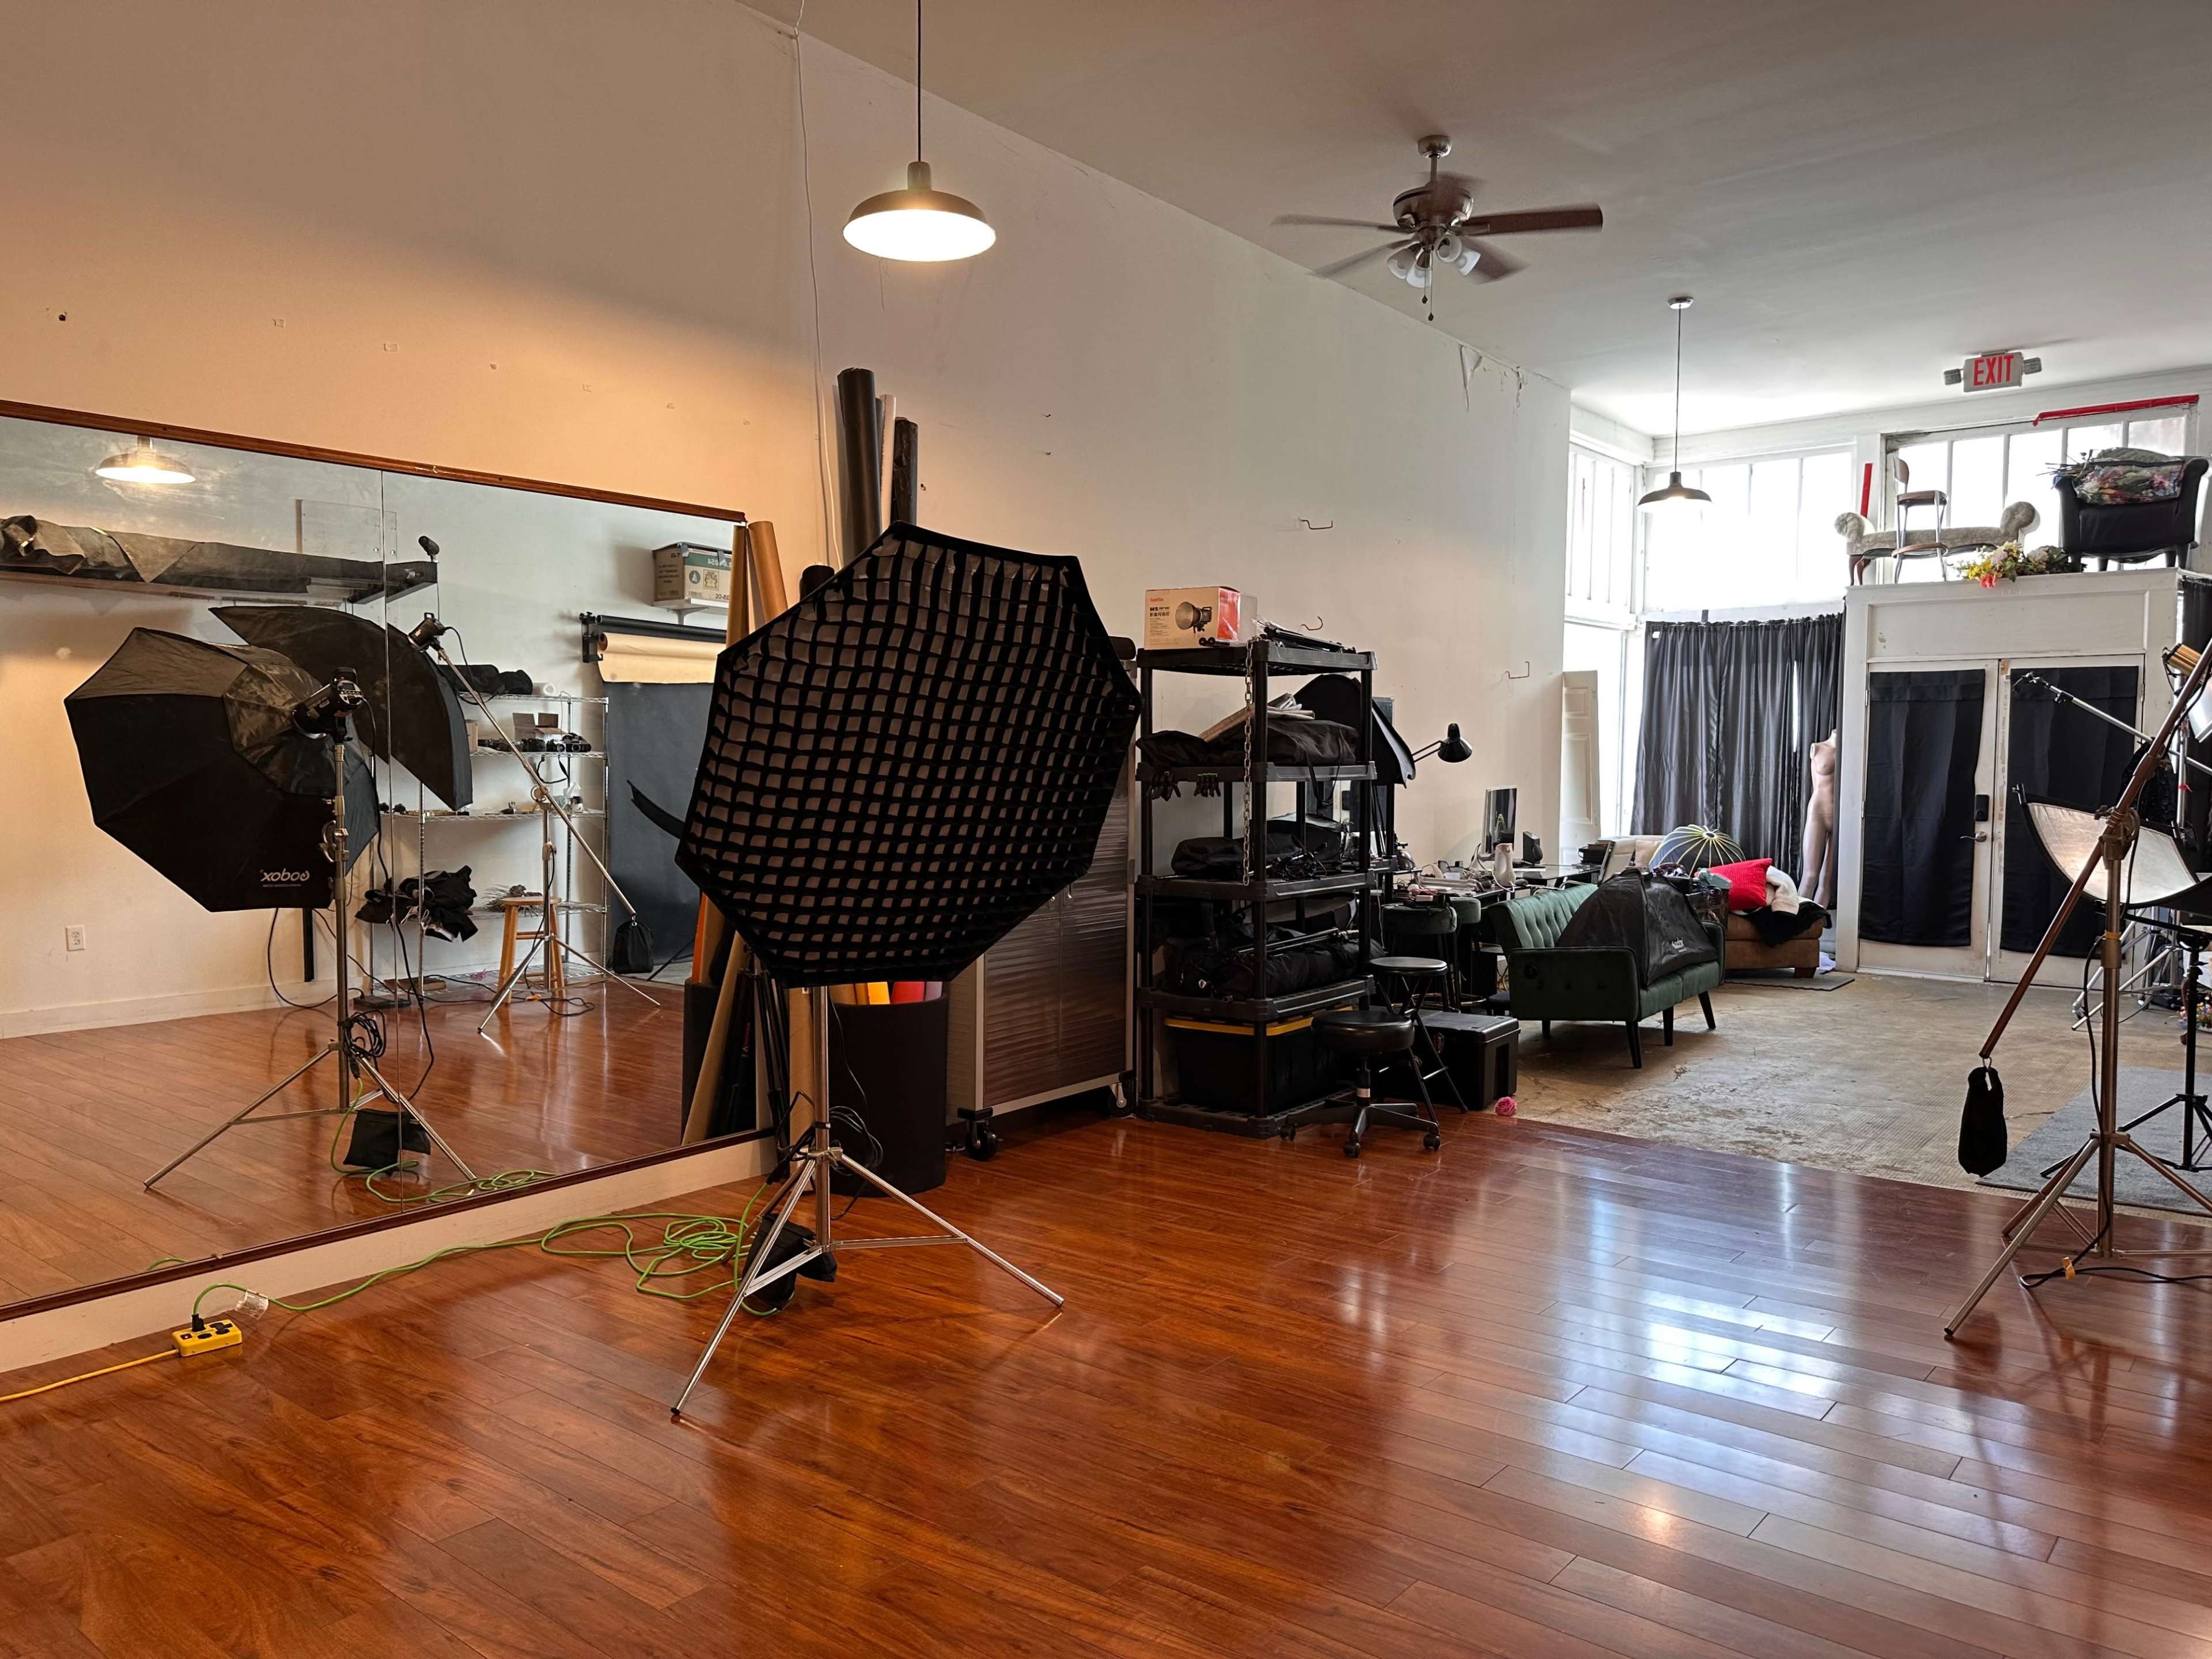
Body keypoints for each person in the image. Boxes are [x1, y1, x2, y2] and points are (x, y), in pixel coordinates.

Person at [1802, 729, 1838, 907]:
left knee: (1827, 878)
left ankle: (1815, 924)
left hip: (1841, 816)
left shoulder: (1855, 751)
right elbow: (1815, 785)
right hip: (1818, 812)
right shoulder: (1817, 748)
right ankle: (1795, 921)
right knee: (1810, 875)